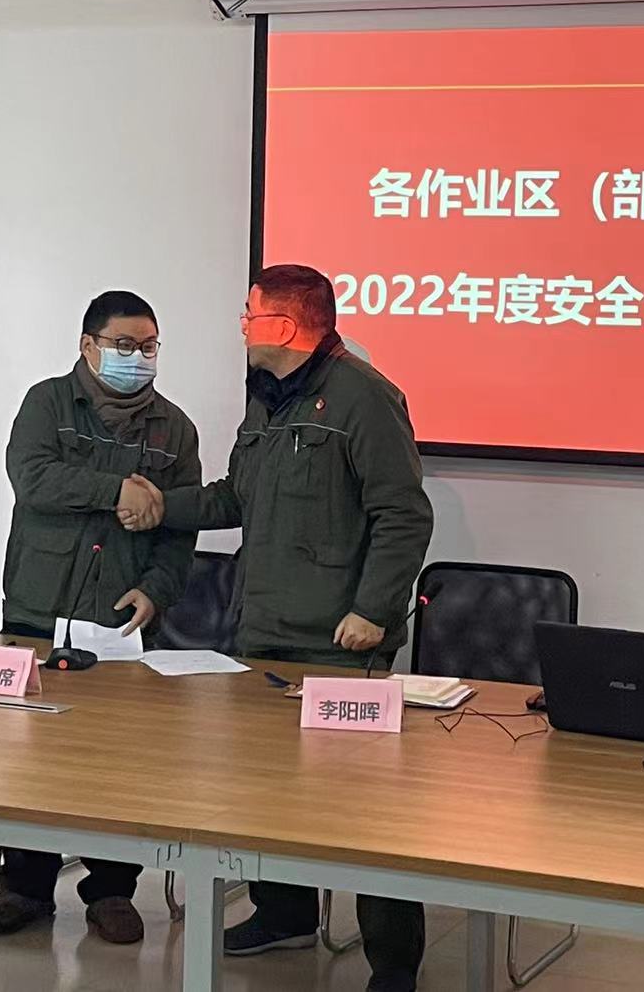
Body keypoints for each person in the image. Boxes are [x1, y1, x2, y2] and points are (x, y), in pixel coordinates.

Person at [125, 264, 434, 992]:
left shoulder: (364, 397)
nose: (241, 326)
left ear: (287, 325)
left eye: (251, 314)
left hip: (340, 641)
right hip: (264, 629)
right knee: (270, 798)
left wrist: (375, 610)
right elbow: (239, 496)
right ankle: (284, 914)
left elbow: (403, 514)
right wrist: (164, 505)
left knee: (363, 815)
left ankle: (394, 963)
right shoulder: (266, 398)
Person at [0, 290, 200, 945]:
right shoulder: (47, 403)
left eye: (149, 346)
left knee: (119, 761)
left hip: (120, 615)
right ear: (88, 346)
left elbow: (179, 527)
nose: (139, 357)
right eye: (125, 345)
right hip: (39, 606)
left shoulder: (175, 428)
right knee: (28, 756)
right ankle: (23, 887)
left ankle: (111, 891)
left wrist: (158, 590)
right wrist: (114, 489)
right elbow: (33, 478)